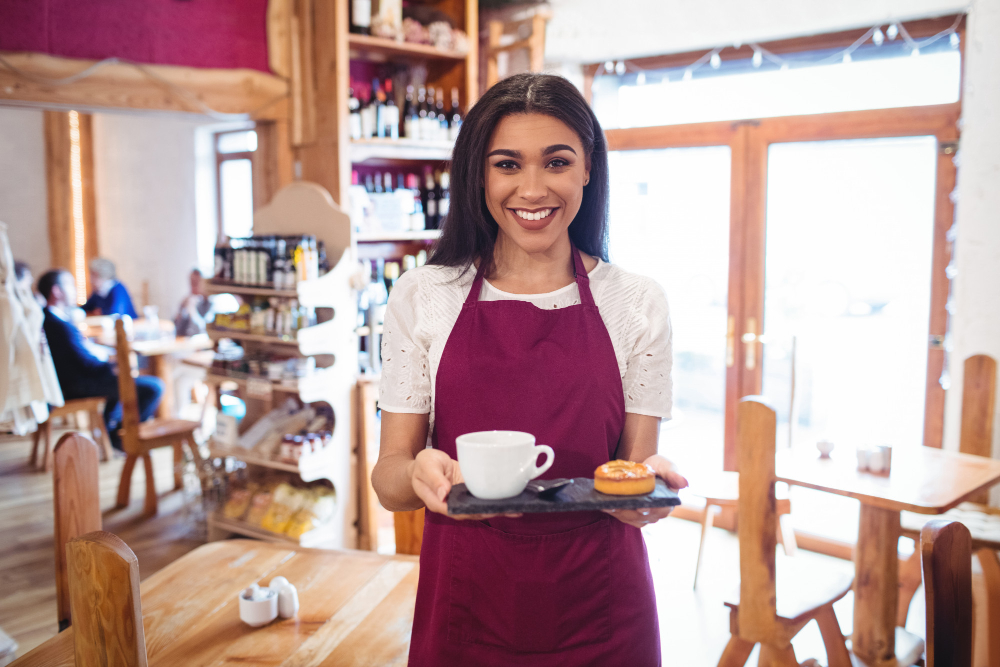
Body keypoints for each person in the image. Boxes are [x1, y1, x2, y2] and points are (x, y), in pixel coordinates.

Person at [370, 73, 685, 666]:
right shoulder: (424, 296)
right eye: (508, 164)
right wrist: (418, 474)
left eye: (557, 162)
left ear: (588, 169)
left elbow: (633, 469)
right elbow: (388, 481)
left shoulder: (638, 303)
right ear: (479, 175)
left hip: (603, 606)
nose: (533, 188)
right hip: (465, 600)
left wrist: (646, 491)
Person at [38, 269, 162, 449]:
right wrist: (112, 365)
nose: (75, 290)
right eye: (71, 285)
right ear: (56, 291)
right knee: (153, 387)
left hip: (71, 380)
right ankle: (122, 437)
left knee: (120, 381)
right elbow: (89, 365)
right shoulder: (59, 326)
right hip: (77, 385)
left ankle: (113, 433)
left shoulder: (49, 319)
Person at [174, 269, 214, 336]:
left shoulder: (209, 303)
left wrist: (192, 310)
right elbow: (177, 329)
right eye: (191, 282)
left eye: (195, 283)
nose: (192, 287)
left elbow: (203, 330)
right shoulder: (187, 301)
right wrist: (181, 312)